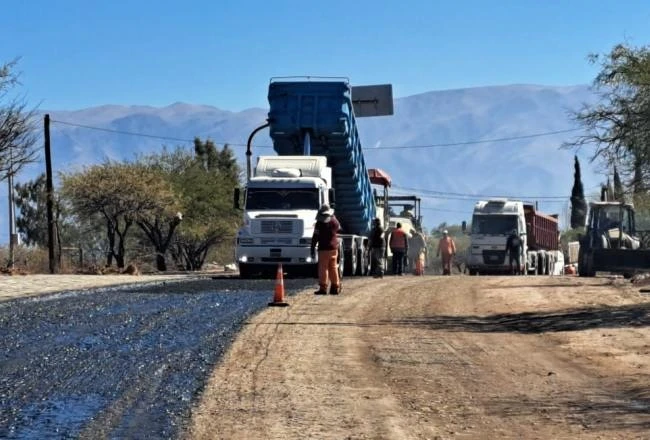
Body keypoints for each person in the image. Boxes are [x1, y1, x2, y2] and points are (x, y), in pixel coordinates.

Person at [311, 204, 342, 295]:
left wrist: (312, 247)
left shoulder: (319, 223)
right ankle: (335, 287)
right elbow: (338, 229)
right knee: (333, 267)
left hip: (323, 249)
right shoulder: (334, 221)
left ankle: (323, 288)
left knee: (323, 268)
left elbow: (315, 237)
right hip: (334, 248)